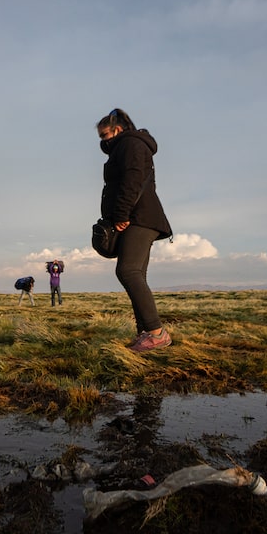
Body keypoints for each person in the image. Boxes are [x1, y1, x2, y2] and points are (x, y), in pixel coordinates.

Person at [96, 108, 173, 353]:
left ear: (117, 129)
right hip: (140, 217)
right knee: (135, 272)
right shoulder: (129, 145)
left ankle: (156, 333)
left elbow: (133, 179)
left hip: (138, 218)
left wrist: (121, 215)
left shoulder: (130, 144)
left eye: (104, 135)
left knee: (128, 271)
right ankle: (147, 333)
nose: (102, 141)